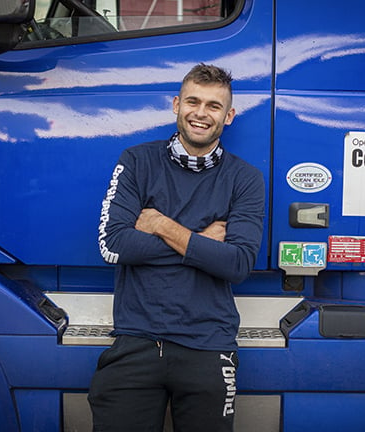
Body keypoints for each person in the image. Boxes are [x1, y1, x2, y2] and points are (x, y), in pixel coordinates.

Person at [89, 63, 265, 432]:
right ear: (176, 105)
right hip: (136, 341)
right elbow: (113, 243)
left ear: (228, 116)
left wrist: (160, 225)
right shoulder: (137, 161)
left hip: (208, 345)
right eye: (193, 101)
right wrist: (200, 243)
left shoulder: (245, 179)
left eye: (214, 106)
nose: (201, 113)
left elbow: (237, 264)